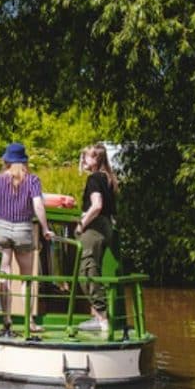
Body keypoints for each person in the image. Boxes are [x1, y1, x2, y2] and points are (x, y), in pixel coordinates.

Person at [0, 142, 53, 331]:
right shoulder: (32, 181)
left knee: (4, 275)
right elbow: (38, 206)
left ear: (6, 161)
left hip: (1, 230)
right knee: (26, 278)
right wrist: (45, 228)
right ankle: (29, 322)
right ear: (25, 161)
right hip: (24, 229)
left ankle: (7, 321)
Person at [76, 142, 118, 334]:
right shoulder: (109, 178)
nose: (83, 159)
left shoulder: (94, 178)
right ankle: (97, 317)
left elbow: (97, 205)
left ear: (96, 159)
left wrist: (82, 224)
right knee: (95, 269)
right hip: (107, 226)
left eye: (86, 156)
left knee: (86, 271)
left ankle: (101, 318)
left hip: (94, 228)